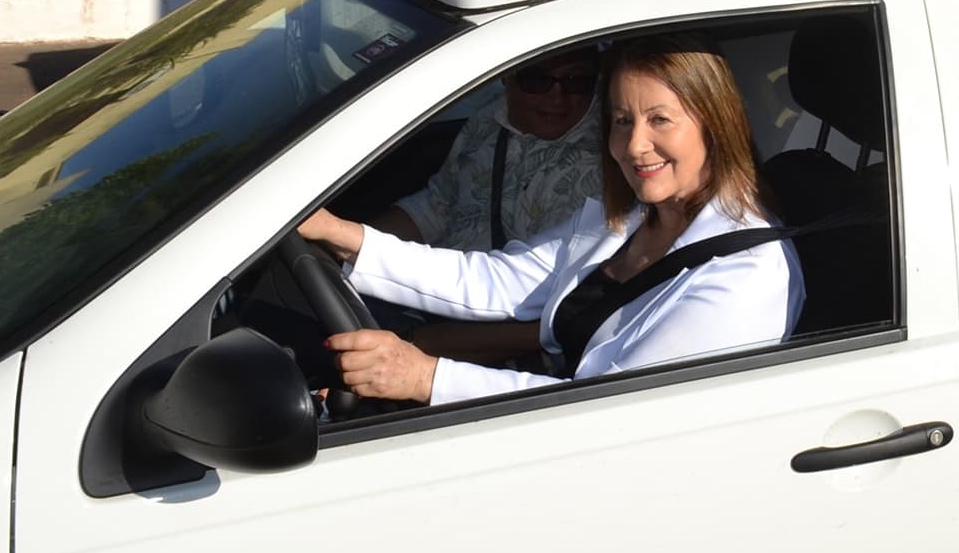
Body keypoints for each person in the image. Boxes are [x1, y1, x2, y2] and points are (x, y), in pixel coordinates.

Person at [296, 36, 803, 405]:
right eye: (622, 120)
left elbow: (608, 408)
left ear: (714, 123)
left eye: (660, 120)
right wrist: (337, 234)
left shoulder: (746, 273)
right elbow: (495, 280)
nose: (633, 145)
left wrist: (426, 377)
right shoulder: (629, 217)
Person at [371, 45, 605, 253]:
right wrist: (359, 247)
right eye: (537, 80)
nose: (558, 98)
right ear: (506, 75)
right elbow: (437, 206)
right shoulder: (489, 118)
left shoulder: (597, 167)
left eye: (576, 81)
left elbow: (519, 281)